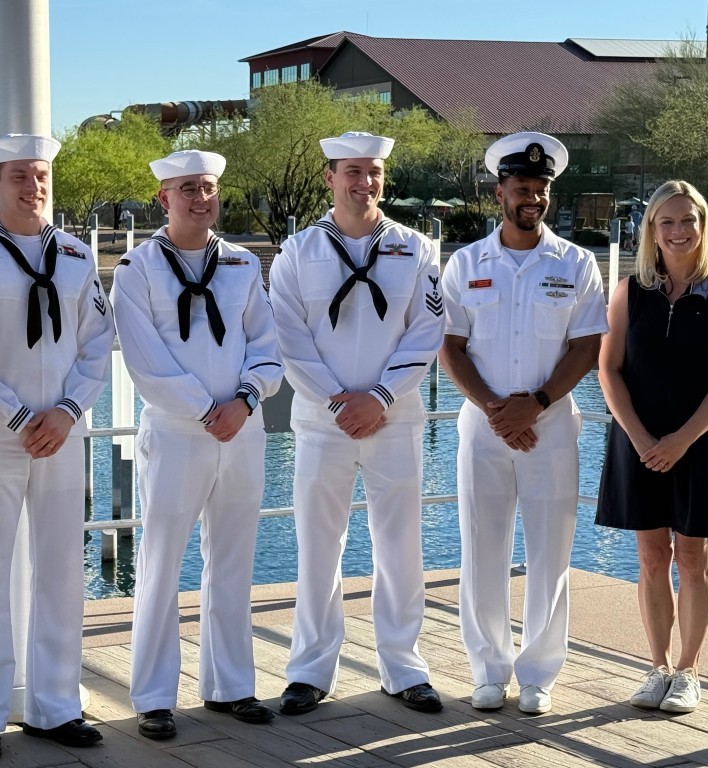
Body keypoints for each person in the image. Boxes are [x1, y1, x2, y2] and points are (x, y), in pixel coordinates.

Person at [0, 133, 114, 762]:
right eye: (17, 175)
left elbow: (97, 342)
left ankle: (55, 705)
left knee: (62, 572)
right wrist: (18, 415)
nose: (31, 185)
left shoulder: (75, 253)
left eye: (40, 174)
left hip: (63, 435)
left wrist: (69, 411)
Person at [269, 132, 446, 716]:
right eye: (351, 171)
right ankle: (310, 670)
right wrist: (340, 402)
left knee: (400, 545)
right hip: (322, 423)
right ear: (329, 178)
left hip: (395, 420)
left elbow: (427, 332)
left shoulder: (416, 249)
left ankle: (404, 666)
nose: (362, 182)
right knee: (319, 546)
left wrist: (379, 396)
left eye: (372, 171)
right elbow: (289, 337)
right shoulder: (298, 251)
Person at [110, 149, 284, 739]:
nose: (200, 198)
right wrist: (207, 408)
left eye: (207, 187)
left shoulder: (240, 263)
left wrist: (247, 398)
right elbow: (144, 360)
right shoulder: (136, 268)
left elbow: (267, 343)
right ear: (163, 198)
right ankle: (154, 696)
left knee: (233, 561)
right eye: (187, 188)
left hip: (243, 429)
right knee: (160, 565)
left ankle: (230, 685)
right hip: (179, 432)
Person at [438, 131, 607, 715]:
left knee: (550, 554)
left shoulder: (576, 262)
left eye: (540, 190)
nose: (531, 198)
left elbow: (586, 347)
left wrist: (534, 404)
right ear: (498, 193)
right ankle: (488, 668)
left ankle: (537, 673)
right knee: (482, 549)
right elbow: (451, 348)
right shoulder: (464, 263)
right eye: (521, 189)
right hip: (483, 428)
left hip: (551, 427)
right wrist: (494, 409)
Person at [596, 180, 708, 713]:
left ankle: (689, 671)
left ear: (703, 226)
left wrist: (681, 441)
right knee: (651, 555)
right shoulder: (629, 292)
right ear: (652, 231)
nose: (680, 231)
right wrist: (640, 437)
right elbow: (607, 371)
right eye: (668, 222)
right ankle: (656, 667)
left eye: (690, 220)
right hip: (636, 439)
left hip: (697, 442)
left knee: (692, 556)